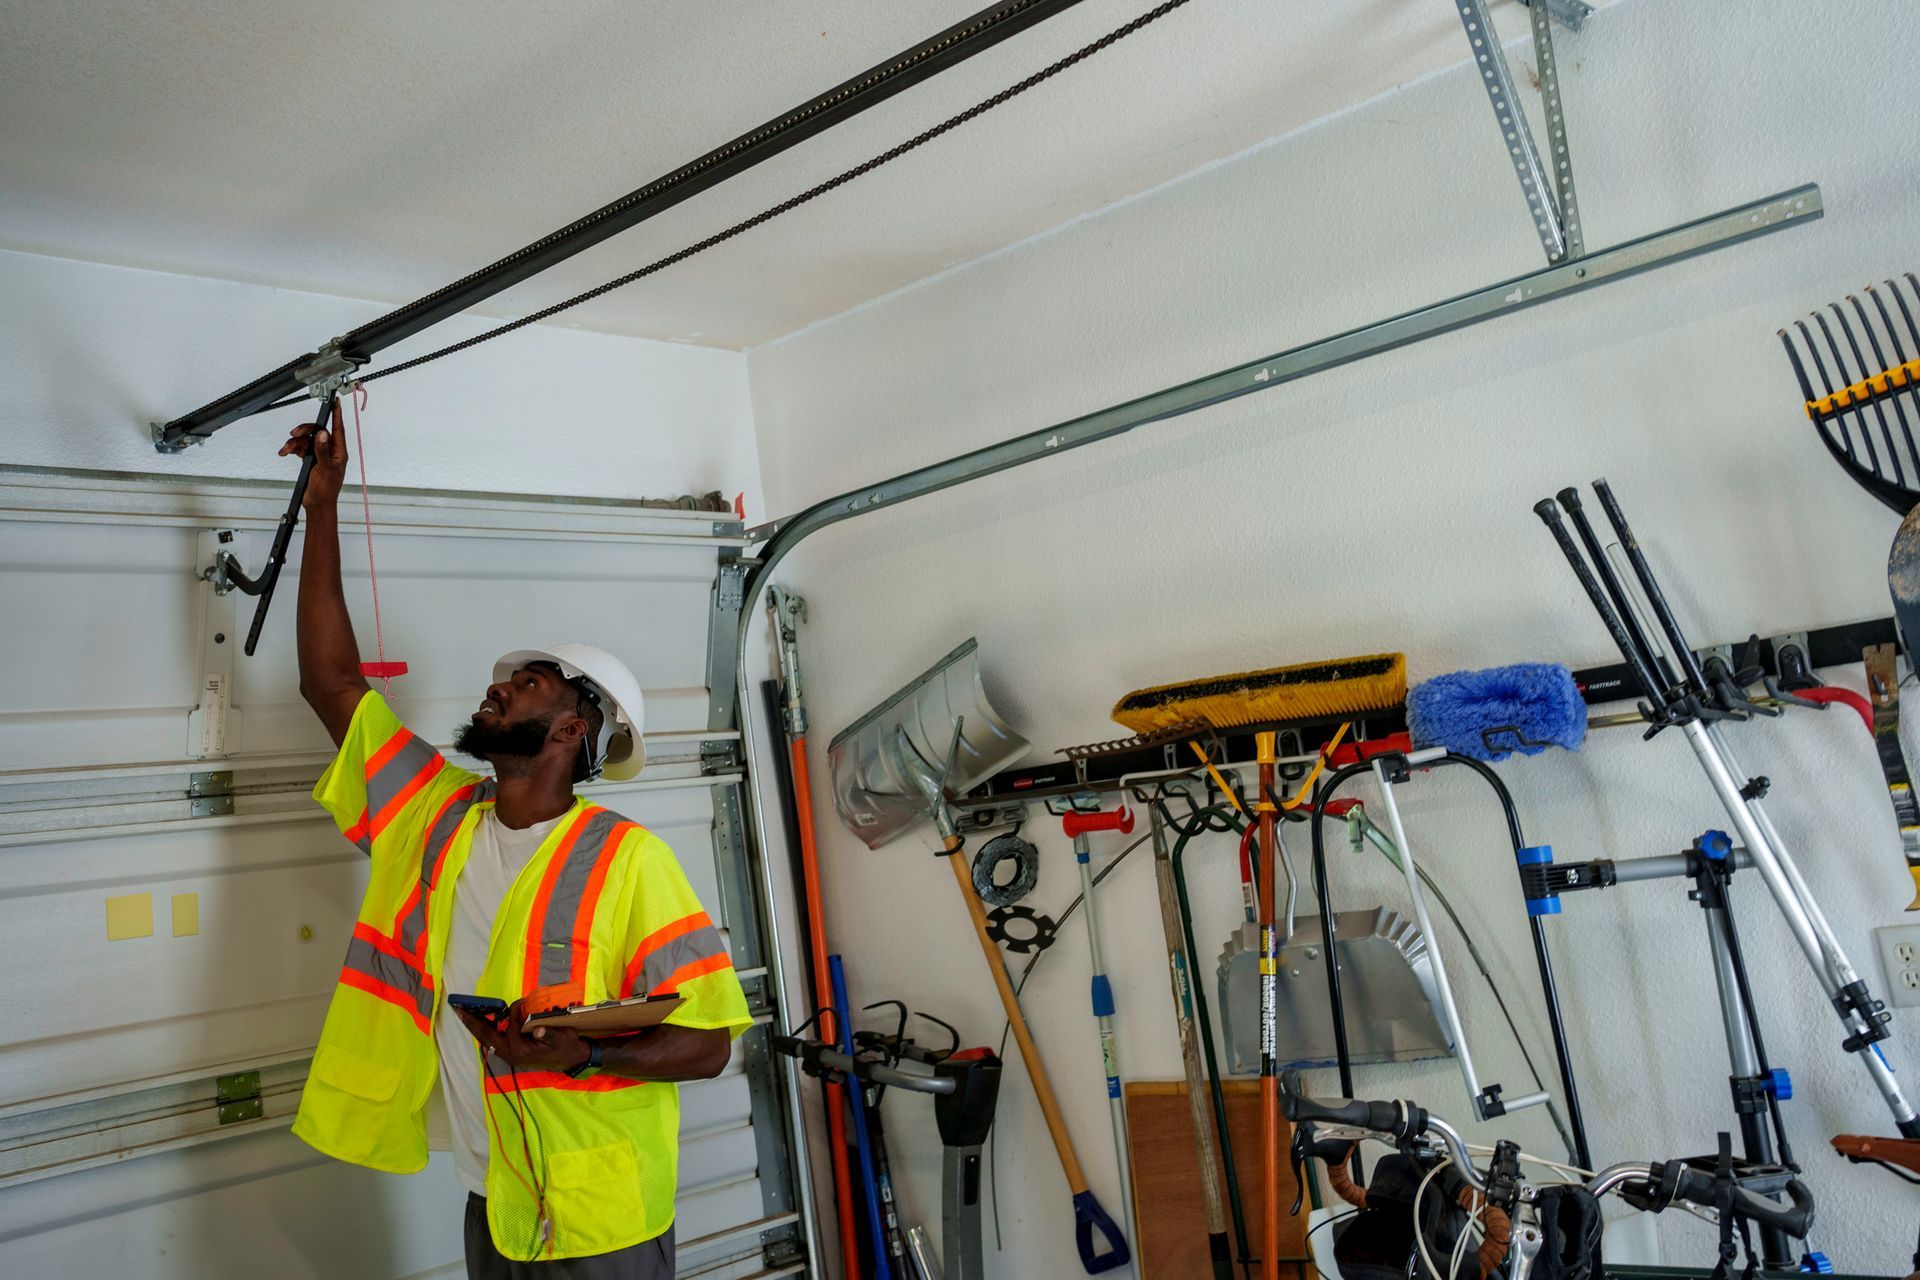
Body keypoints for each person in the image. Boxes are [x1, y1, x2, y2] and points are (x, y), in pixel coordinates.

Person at [281, 405, 746, 1278]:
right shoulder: (435, 812)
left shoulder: (629, 859)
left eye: (523, 686)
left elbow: (712, 1043)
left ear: (573, 728)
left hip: (600, 1212)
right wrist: (322, 508)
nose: (496, 694)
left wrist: (589, 1051)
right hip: (490, 1193)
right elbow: (330, 682)